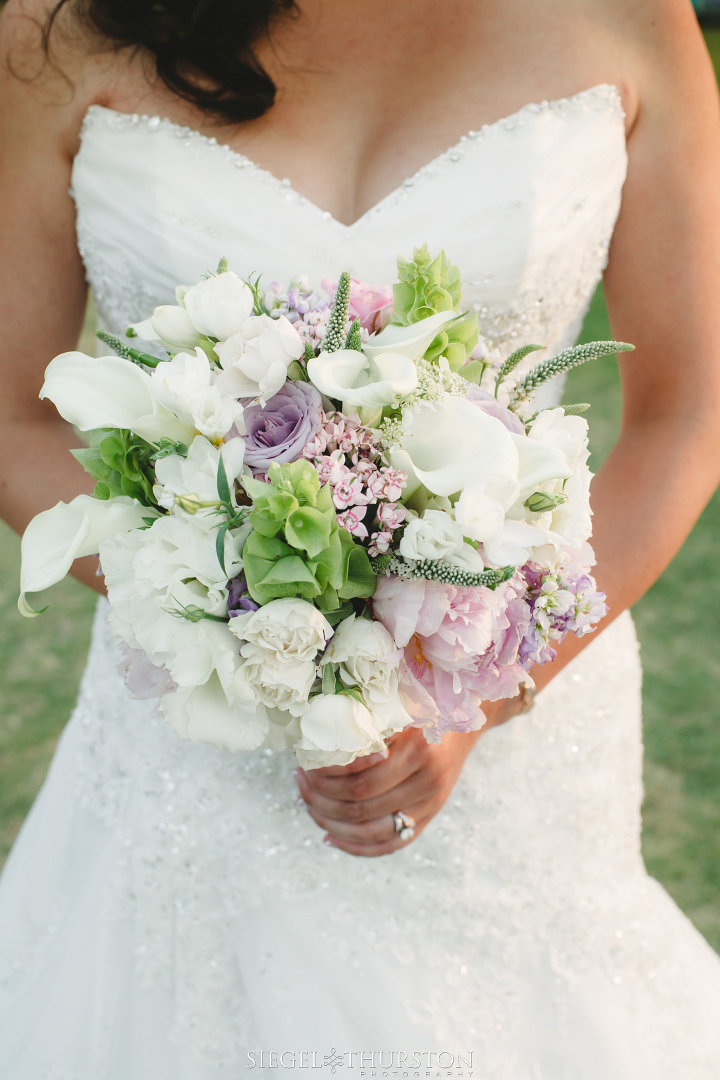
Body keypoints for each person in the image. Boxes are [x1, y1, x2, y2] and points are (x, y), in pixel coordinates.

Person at [1, 0, 720, 1075]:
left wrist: (481, 692)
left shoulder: (628, 18)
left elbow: (686, 416)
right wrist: (241, 626)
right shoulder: (53, 27)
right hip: (194, 744)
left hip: (518, 737)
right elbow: (12, 407)